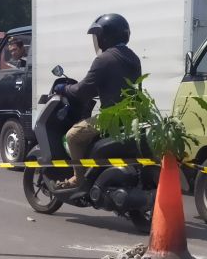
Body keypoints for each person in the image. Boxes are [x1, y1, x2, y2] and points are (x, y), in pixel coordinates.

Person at [54, 13, 142, 190]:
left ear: (105, 36)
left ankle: (78, 179)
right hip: (132, 116)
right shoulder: (133, 58)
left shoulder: (104, 59)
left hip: (111, 119)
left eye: (98, 36)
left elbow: (82, 91)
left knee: (73, 136)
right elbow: (113, 83)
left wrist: (64, 89)